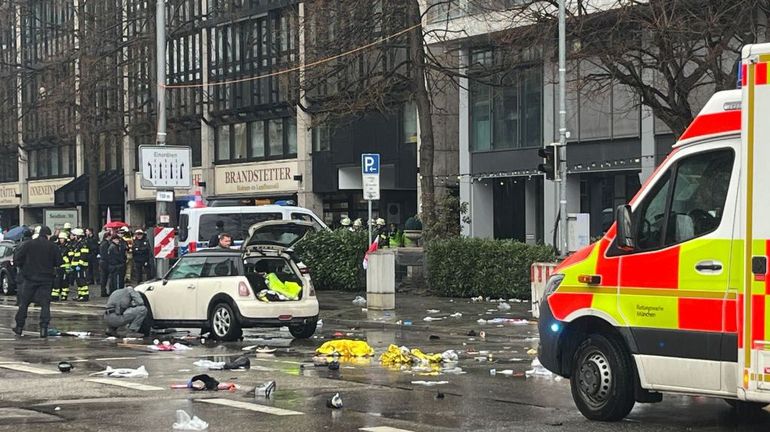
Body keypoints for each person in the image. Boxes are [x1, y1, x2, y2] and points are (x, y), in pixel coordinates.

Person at [12, 226, 63, 338]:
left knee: (24, 303)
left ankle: (19, 327)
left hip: (30, 278)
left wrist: (24, 269)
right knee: (45, 304)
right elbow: (59, 261)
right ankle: (43, 329)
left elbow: (17, 259)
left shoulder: (29, 244)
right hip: (46, 279)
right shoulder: (52, 246)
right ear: (48, 235)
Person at [68, 228, 91, 301]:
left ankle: (85, 296)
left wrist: (79, 265)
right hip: (76, 265)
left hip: (81, 266)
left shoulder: (83, 244)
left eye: (74, 235)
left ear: (78, 236)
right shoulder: (77, 243)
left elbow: (83, 255)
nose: (73, 237)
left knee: (82, 281)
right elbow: (74, 255)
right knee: (78, 281)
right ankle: (80, 295)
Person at [52, 231, 71, 301]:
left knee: (64, 282)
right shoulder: (58, 247)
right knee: (56, 282)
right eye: (60, 238)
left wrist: (65, 260)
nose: (61, 240)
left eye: (62, 238)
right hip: (58, 267)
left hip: (66, 267)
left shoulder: (68, 247)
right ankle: (55, 296)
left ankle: (64, 295)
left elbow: (71, 257)